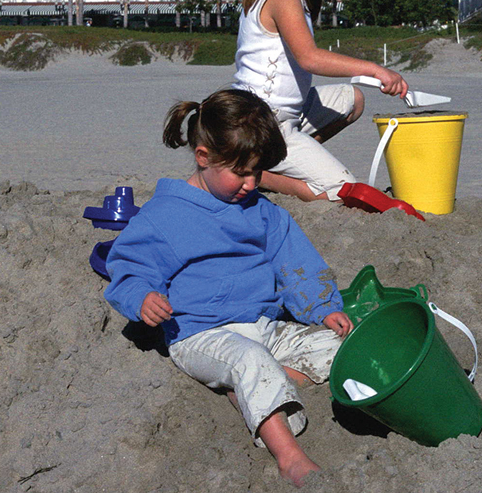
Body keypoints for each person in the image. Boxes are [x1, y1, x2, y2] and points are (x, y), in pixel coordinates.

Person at [103, 89, 353, 488]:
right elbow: (129, 266)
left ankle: (254, 392)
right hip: (201, 334)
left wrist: (323, 308)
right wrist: (143, 298)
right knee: (250, 360)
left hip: (264, 326)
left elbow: (296, 263)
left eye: (259, 172)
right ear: (203, 157)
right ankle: (290, 457)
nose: (252, 184)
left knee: (341, 346)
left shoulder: (261, 212)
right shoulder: (166, 215)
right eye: (242, 172)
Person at [233, 0, 409, 202]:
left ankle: (287, 161)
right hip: (261, 122)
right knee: (340, 193)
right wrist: (374, 69)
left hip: (286, 114)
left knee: (352, 99)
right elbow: (309, 58)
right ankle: (261, 174)